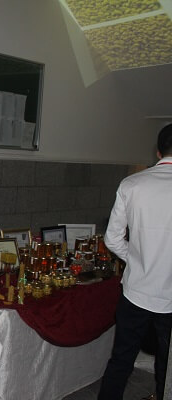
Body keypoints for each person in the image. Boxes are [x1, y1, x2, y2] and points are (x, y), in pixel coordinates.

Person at [98, 124, 172, 400]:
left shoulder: (131, 184)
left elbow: (112, 239)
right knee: (167, 367)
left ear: (157, 152)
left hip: (136, 290)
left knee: (121, 360)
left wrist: (137, 259)